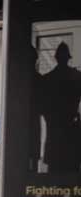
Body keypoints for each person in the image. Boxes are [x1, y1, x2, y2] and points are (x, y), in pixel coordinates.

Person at [39, 42, 81, 174]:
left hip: (55, 131)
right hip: (71, 131)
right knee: (71, 175)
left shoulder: (47, 79)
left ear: (56, 58)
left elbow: (43, 108)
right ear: (68, 58)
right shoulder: (77, 77)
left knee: (55, 177)